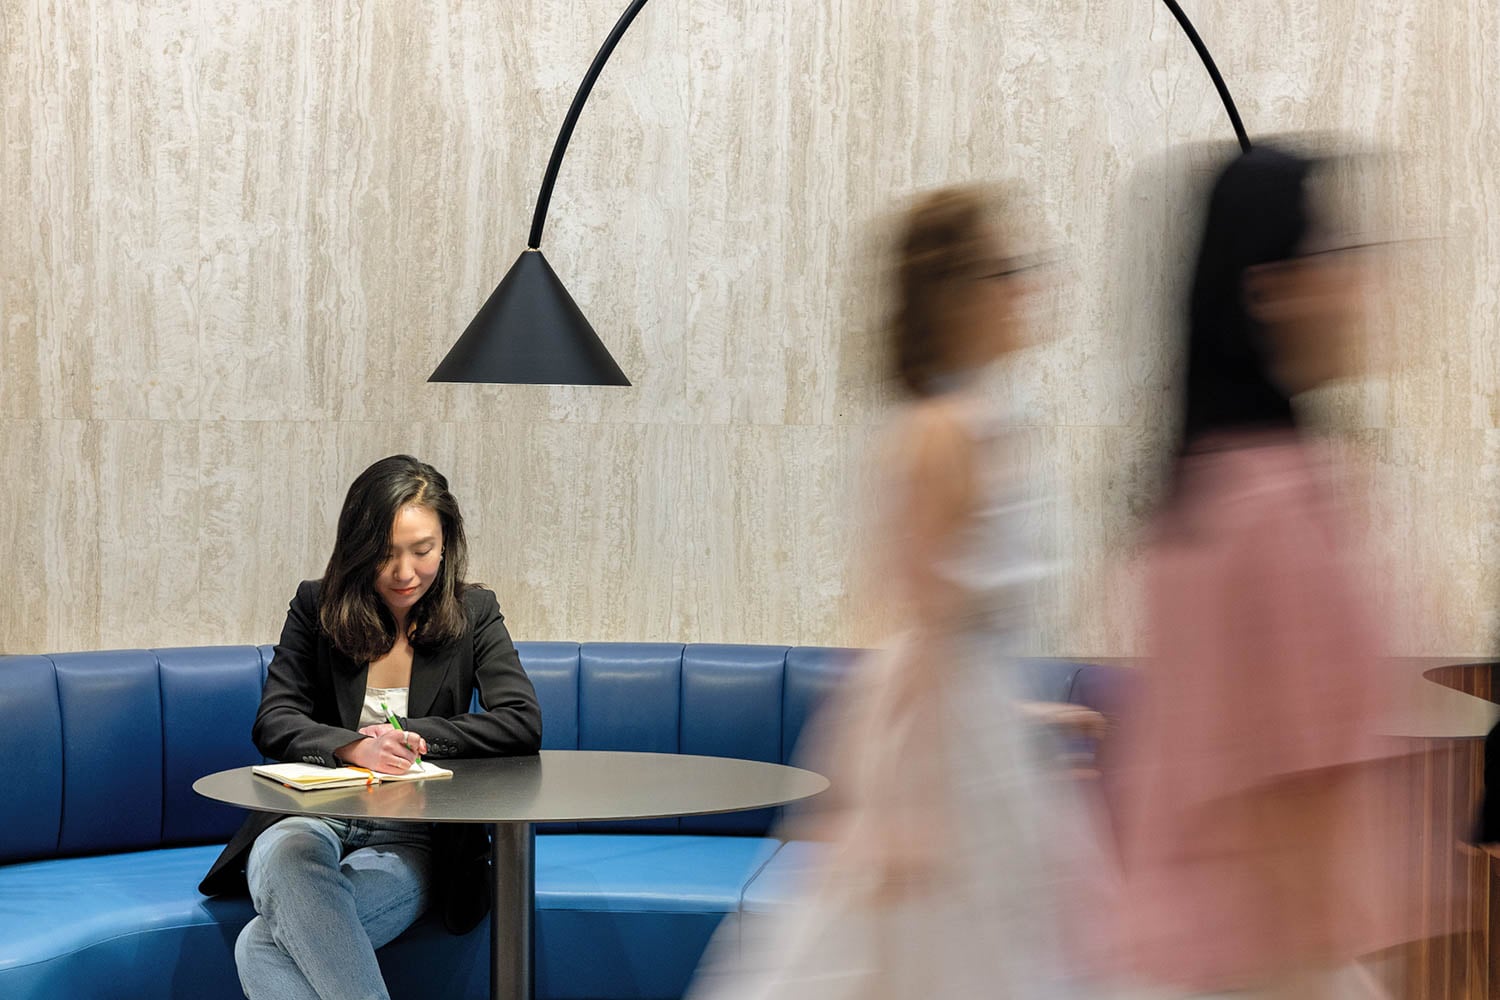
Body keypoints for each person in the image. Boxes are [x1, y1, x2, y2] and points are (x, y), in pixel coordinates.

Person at [687, 185, 1100, 1000]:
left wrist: (1019, 716)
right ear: (957, 292)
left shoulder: (980, 420)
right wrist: (892, 799)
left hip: (978, 736)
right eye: (1007, 270)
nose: (1028, 289)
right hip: (945, 752)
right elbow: (914, 625)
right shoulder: (941, 430)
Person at [1104, 145, 1411, 999]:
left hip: (1175, 948)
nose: (1358, 286)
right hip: (1262, 956)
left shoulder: (1196, 488)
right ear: (1269, 286)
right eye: (1336, 257)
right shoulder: (1282, 499)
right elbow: (1288, 790)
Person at [199, 454, 542, 1000]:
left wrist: (415, 736)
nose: (404, 573)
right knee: (291, 860)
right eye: (384, 554)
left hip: (417, 837)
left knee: (260, 947)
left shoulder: (475, 610)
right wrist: (353, 746)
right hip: (312, 815)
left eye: (422, 551)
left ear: (446, 542)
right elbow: (276, 720)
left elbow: (521, 721)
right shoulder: (316, 605)